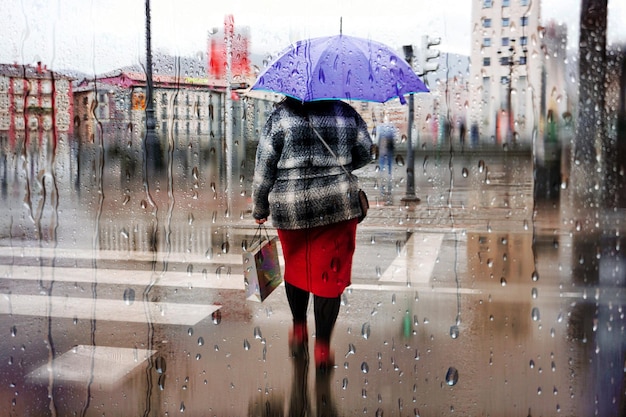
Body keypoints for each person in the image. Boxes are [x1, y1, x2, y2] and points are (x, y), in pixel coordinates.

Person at [252, 96, 373, 372]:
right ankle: (322, 348)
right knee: (328, 276)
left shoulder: (280, 117)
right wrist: (335, 165)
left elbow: (264, 167)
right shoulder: (346, 113)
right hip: (337, 205)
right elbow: (366, 151)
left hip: (290, 207)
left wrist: (259, 206)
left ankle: (298, 329)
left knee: (296, 267)